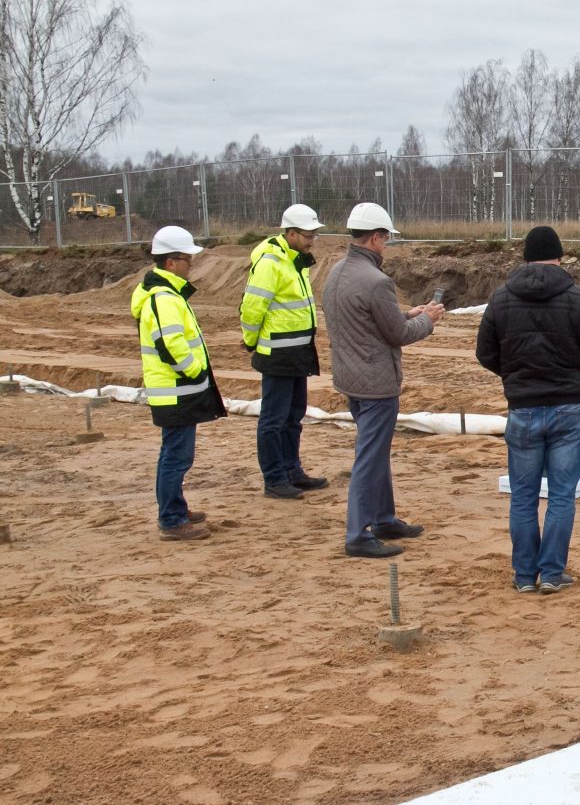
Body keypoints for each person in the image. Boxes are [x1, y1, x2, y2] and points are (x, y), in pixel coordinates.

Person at [476, 226, 580, 594]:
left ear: (525, 258)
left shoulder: (501, 299)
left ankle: (524, 576)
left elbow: (485, 353)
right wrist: (575, 373)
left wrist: (515, 375)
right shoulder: (578, 298)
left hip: (523, 408)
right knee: (561, 495)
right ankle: (551, 573)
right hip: (570, 406)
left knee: (523, 497)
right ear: (559, 257)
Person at [322, 202, 445, 559]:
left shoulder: (337, 272)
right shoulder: (377, 282)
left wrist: (407, 312)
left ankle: (383, 518)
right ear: (376, 237)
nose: (386, 245)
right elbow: (398, 334)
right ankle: (359, 535)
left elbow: (367, 320)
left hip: (350, 378)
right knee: (370, 458)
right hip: (376, 383)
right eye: (386, 238)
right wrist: (427, 320)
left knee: (375, 453)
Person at [131, 226, 227, 541]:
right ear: (171, 262)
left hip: (176, 390)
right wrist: (195, 372)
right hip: (176, 391)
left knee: (175, 455)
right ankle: (172, 519)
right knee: (176, 456)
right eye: (187, 259)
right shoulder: (163, 298)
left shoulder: (167, 295)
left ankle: (176, 509)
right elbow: (170, 345)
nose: (191, 265)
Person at [240, 203, 327, 500]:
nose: (312, 240)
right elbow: (252, 308)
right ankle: (275, 479)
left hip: (298, 352)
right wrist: (252, 341)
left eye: (314, 235)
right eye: (308, 235)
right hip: (277, 354)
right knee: (274, 420)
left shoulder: (293, 262)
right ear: (290, 233)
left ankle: (292, 471)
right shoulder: (271, 263)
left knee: (293, 416)